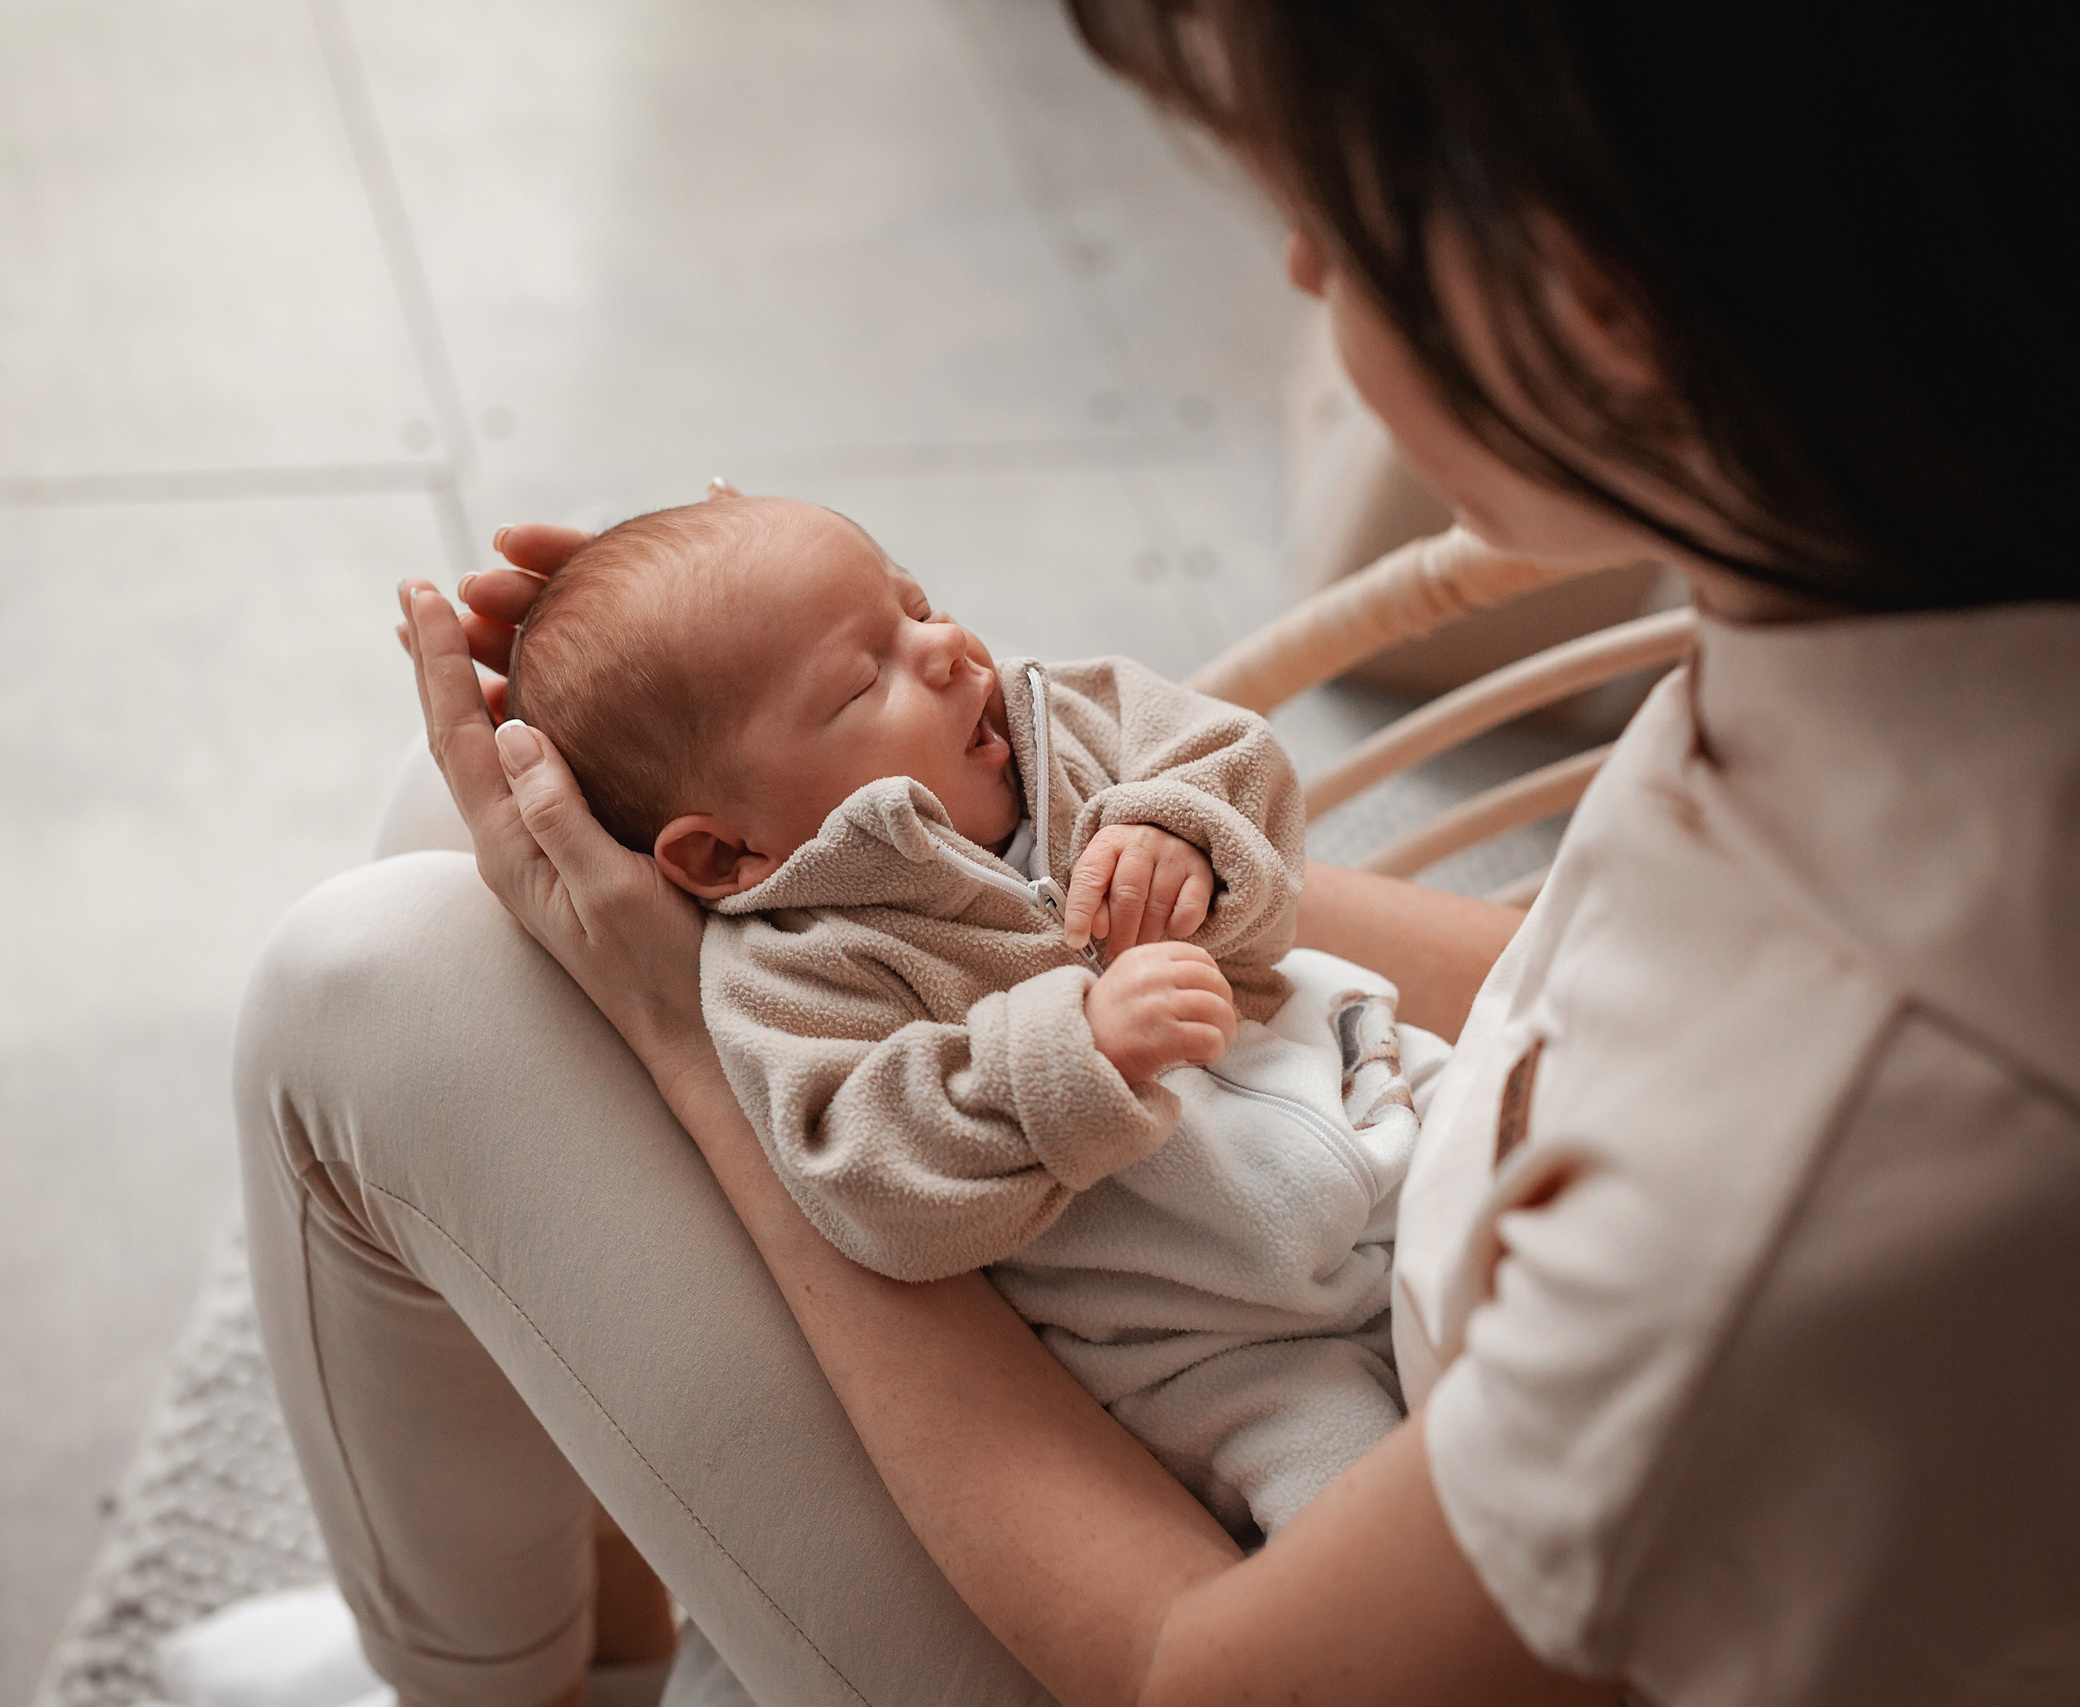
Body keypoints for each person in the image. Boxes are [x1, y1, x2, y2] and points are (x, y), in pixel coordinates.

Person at [239, 5, 2080, 1704]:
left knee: (377, 988)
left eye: (1335, 226)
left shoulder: (1828, 1187)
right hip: (1372, 1241)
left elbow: (1199, 1668)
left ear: (1588, 296)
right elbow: (1583, 956)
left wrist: (686, 1026)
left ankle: (486, 1682)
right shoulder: (1917, 606)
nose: (1304, 265)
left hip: (1269, 1532)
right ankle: (577, 1639)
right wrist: (1013, 850)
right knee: (505, 826)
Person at [504, 491, 1444, 1545]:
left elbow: (1237, 760)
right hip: (1217, 1346)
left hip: (1386, 1100)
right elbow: (868, 1175)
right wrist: (1071, 1054)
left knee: (1573, 1244)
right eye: (867, 675)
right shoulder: (799, 971)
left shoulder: (1073, 723)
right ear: (728, 856)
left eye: (915, 605)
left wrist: (1180, 830)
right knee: (1367, 1531)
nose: (946, 648)